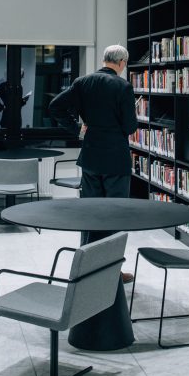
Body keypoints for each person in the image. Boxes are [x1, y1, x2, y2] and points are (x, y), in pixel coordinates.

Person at [49, 44, 138, 282]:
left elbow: (55, 106)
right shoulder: (123, 86)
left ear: (104, 59)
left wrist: (77, 128)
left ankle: (86, 269)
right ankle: (111, 272)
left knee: (90, 213)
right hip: (116, 160)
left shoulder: (83, 82)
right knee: (115, 216)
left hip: (90, 158)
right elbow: (130, 127)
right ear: (122, 62)